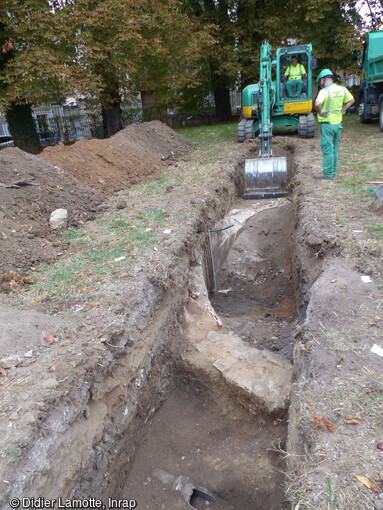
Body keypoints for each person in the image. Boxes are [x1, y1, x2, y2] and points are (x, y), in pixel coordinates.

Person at [314, 69, 355, 180]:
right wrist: (343, 109)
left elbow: (317, 104)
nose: (320, 84)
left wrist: (321, 111)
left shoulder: (324, 92)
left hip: (327, 125)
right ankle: (333, 172)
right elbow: (351, 100)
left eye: (320, 81)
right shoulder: (342, 89)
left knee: (327, 149)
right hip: (337, 125)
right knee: (334, 149)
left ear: (323, 79)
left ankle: (328, 174)